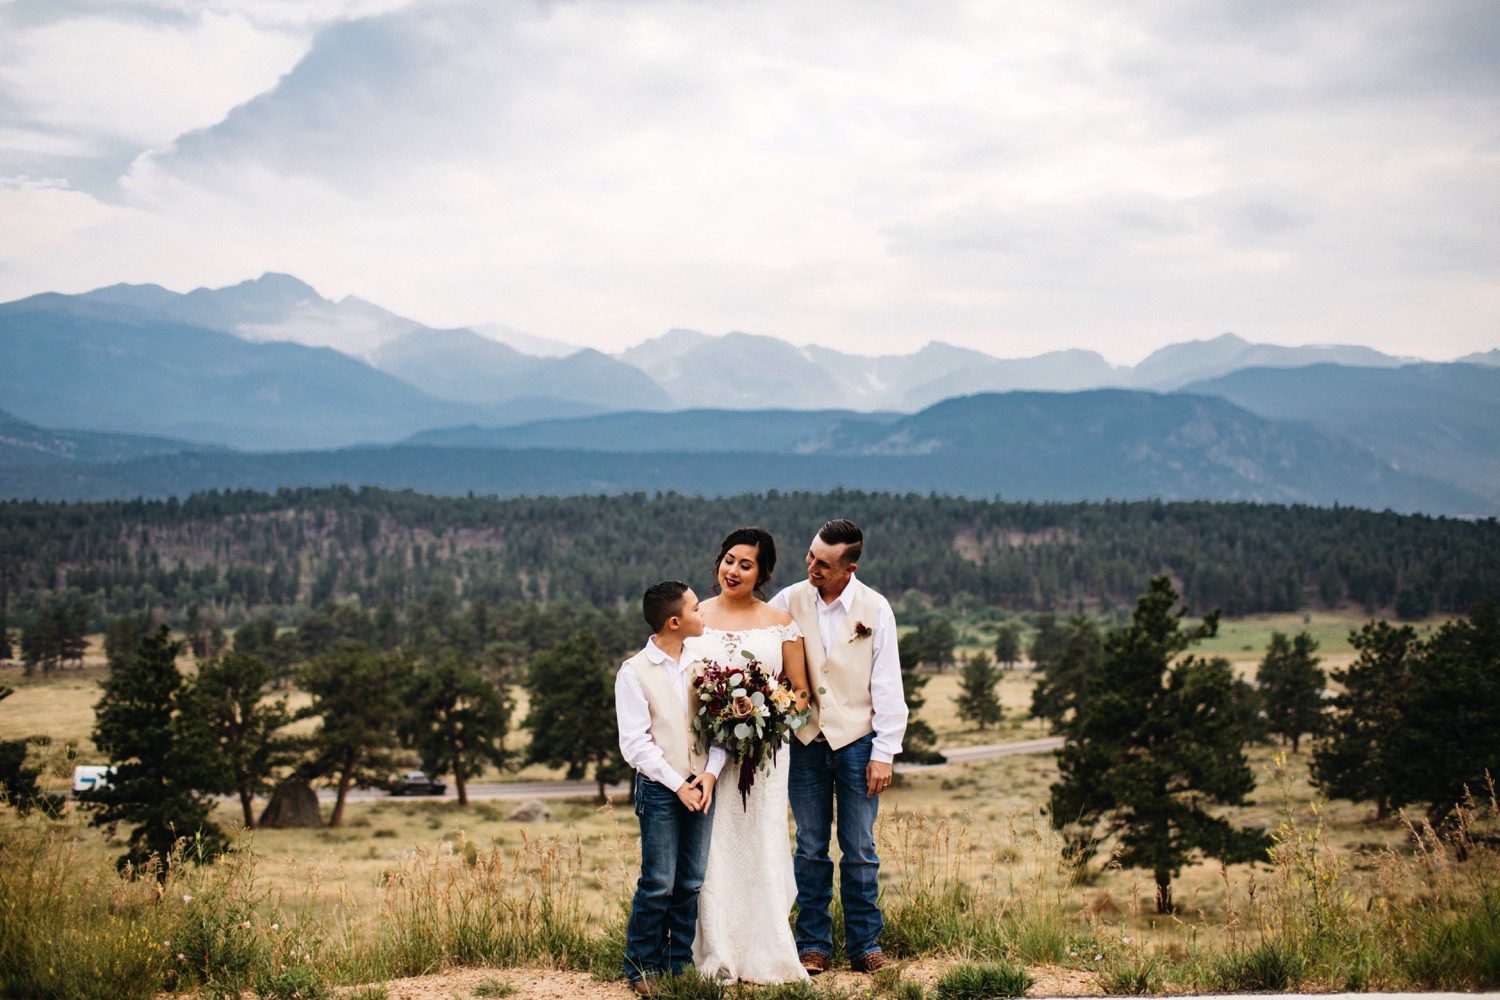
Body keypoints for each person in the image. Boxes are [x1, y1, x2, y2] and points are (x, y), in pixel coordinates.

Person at [770, 518, 908, 975]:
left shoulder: (876, 607)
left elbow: (887, 682)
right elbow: (753, 633)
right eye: (810, 556)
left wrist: (885, 751)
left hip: (858, 743)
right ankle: (812, 943)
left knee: (860, 847)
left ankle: (865, 944)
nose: (812, 566)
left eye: (824, 563)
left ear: (849, 568)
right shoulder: (788, 600)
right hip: (806, 741)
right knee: (809, 847)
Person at [688, 527, 813, 983]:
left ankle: (767, 948)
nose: (733, 570)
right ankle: (716, 947)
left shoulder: (780, 621)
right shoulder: (694, 614)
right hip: (706, 757)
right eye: (728, 559)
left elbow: (800, 693)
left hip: (765, 756)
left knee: (762, 839)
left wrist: (769, 718)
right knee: (714, 844)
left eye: (745, 564)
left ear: (762, 573)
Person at [617, 581, 727, 995]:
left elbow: (722, 730)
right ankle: (641, 966)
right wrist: (678, 784)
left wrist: (711, 773)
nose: (705, 615)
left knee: (690, 881)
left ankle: (678, 963)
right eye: (698, 608)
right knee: (659, 881)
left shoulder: (705, 663)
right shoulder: (634, 672)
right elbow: (636, 745)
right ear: (675, 621)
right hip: (663, 790)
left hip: (702, 785)